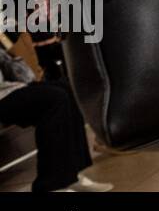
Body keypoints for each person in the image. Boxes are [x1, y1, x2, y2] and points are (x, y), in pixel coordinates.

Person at [0, 34, 111, 192]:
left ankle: (72, 175)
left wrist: (11, 48)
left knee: (68, 89)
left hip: (9, 89)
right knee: (54, 99)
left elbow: (17, 70)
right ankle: (51, 185)